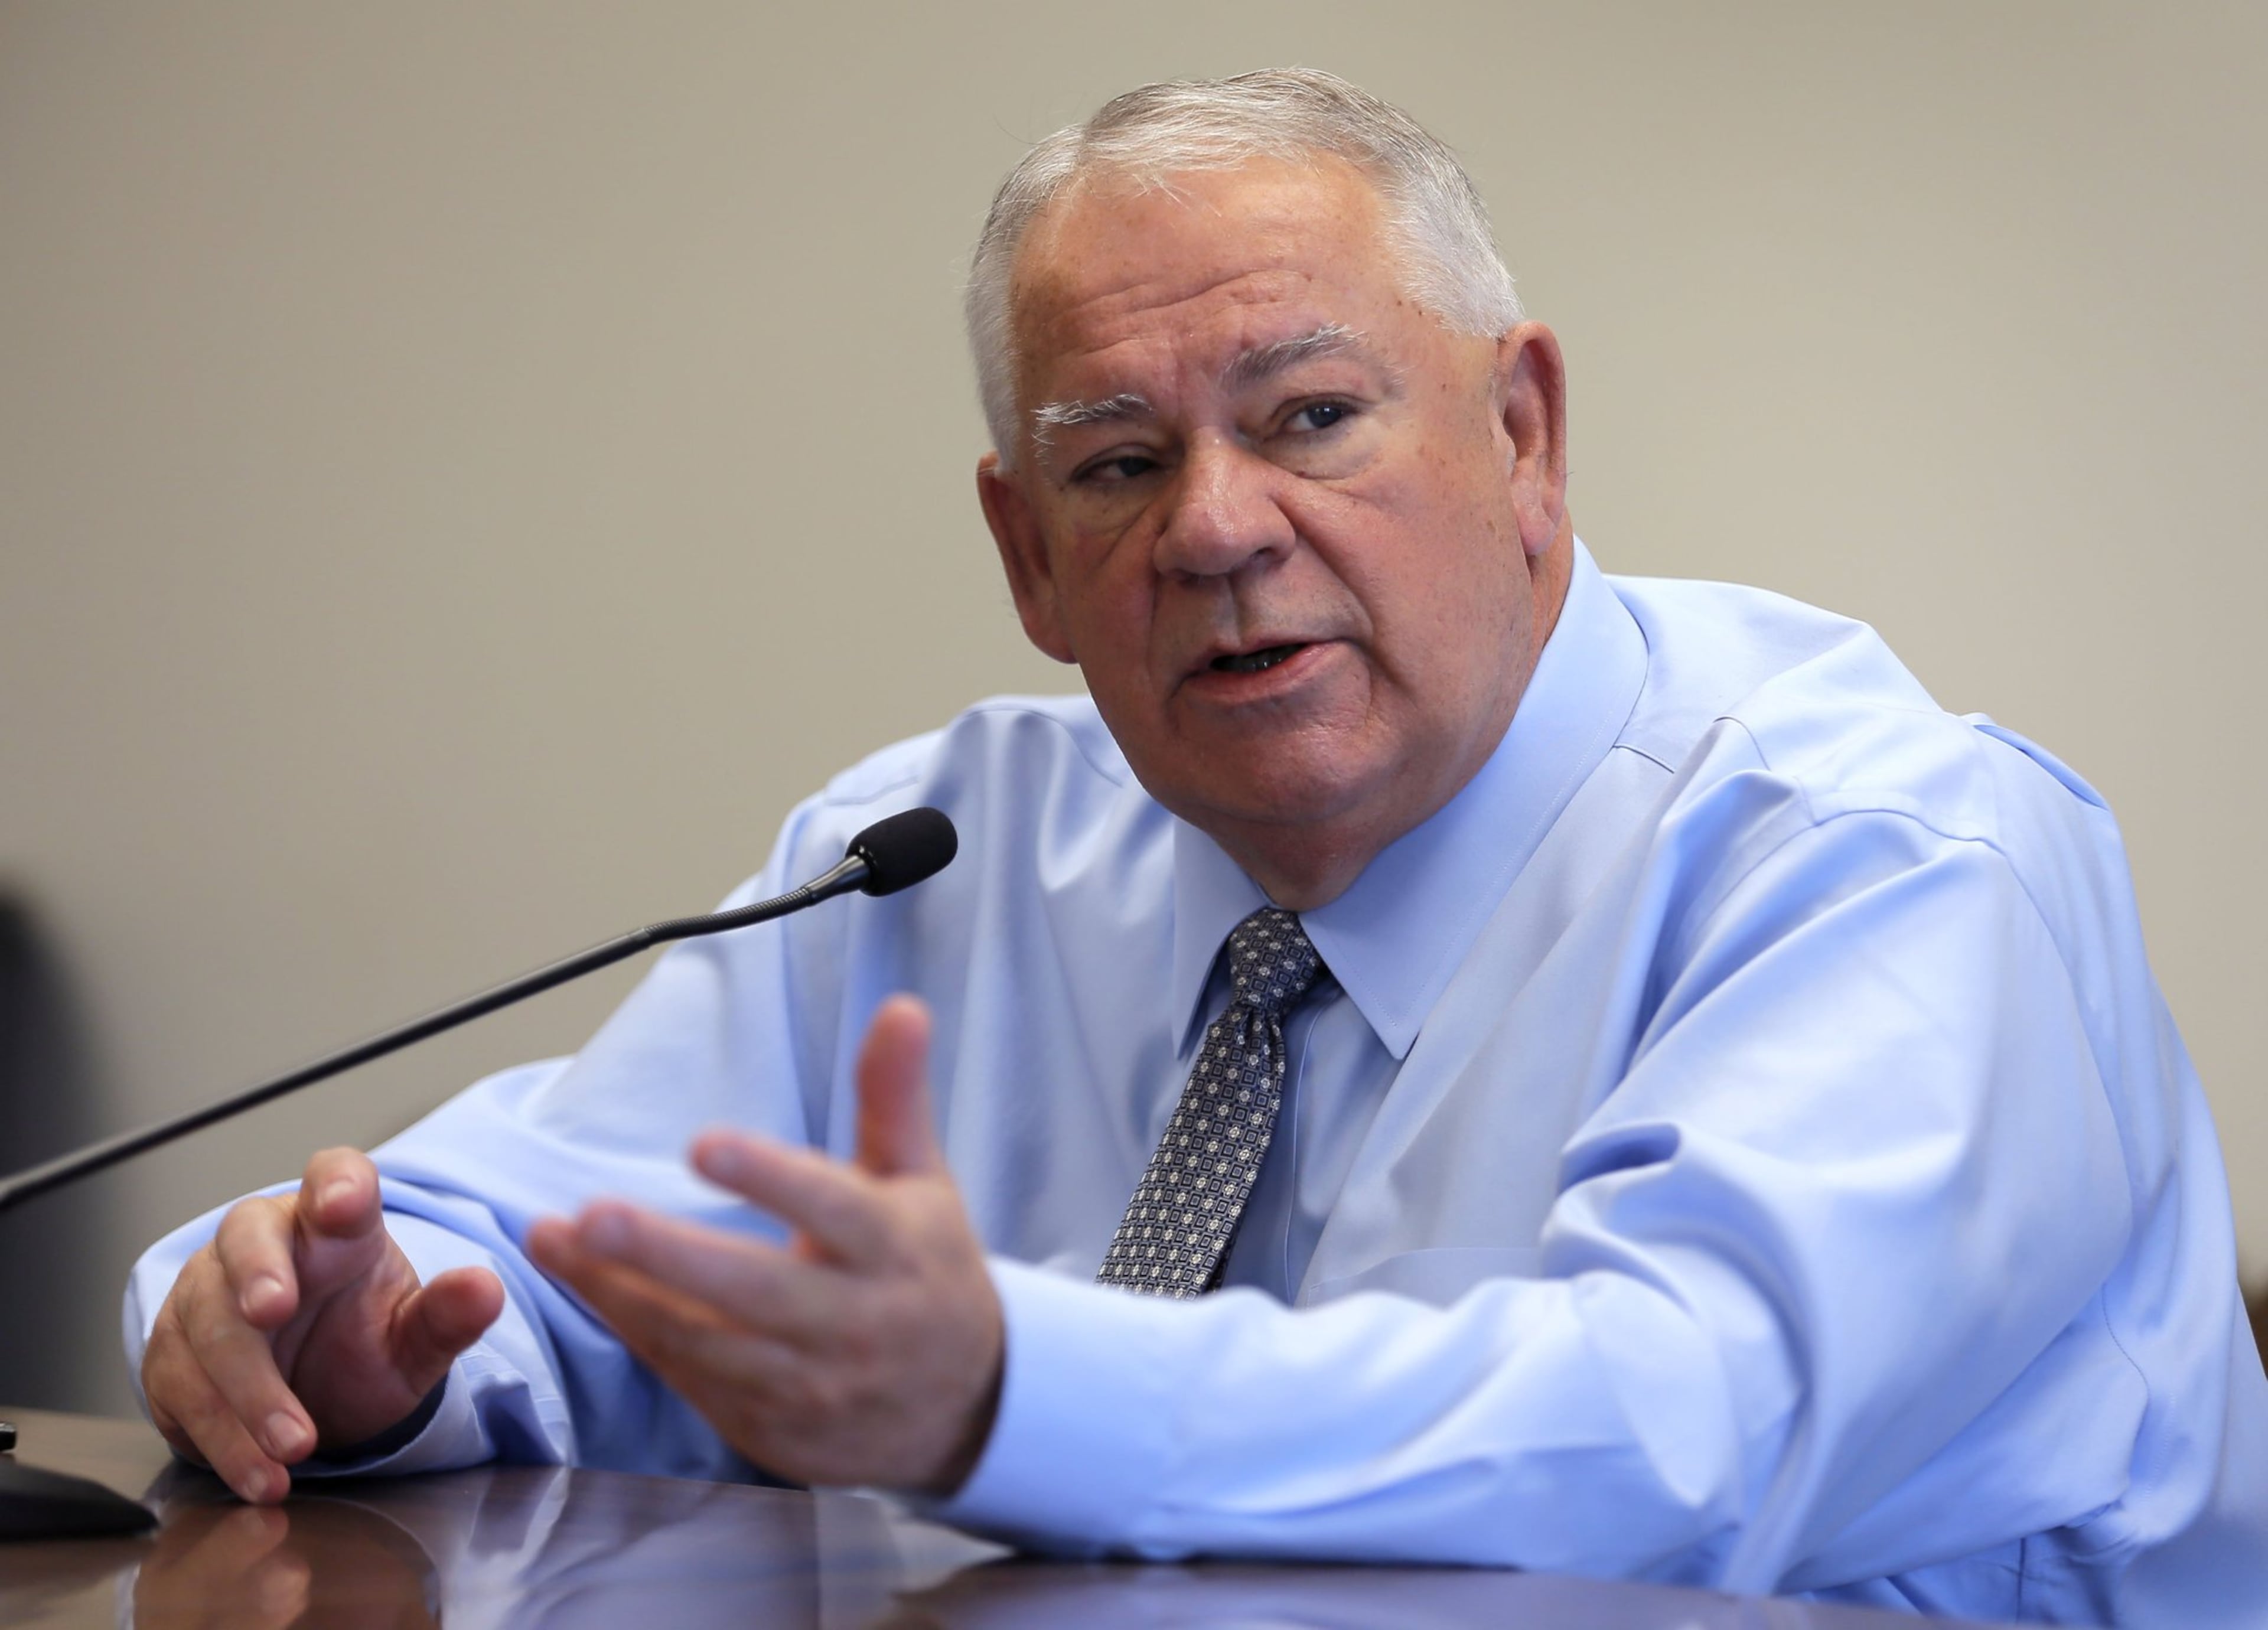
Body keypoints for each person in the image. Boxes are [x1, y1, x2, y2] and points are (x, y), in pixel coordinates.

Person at [125, 70, 2268, 1622]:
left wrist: (1010, 1393)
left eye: (1311, 417)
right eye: (1120, 463)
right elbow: (574, 1255)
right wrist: (346, 1345)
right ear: (1026, 558)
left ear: (1522, 435)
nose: (1219, 529)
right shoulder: (934, 857)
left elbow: (1664, 1444)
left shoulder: (1882, 859)